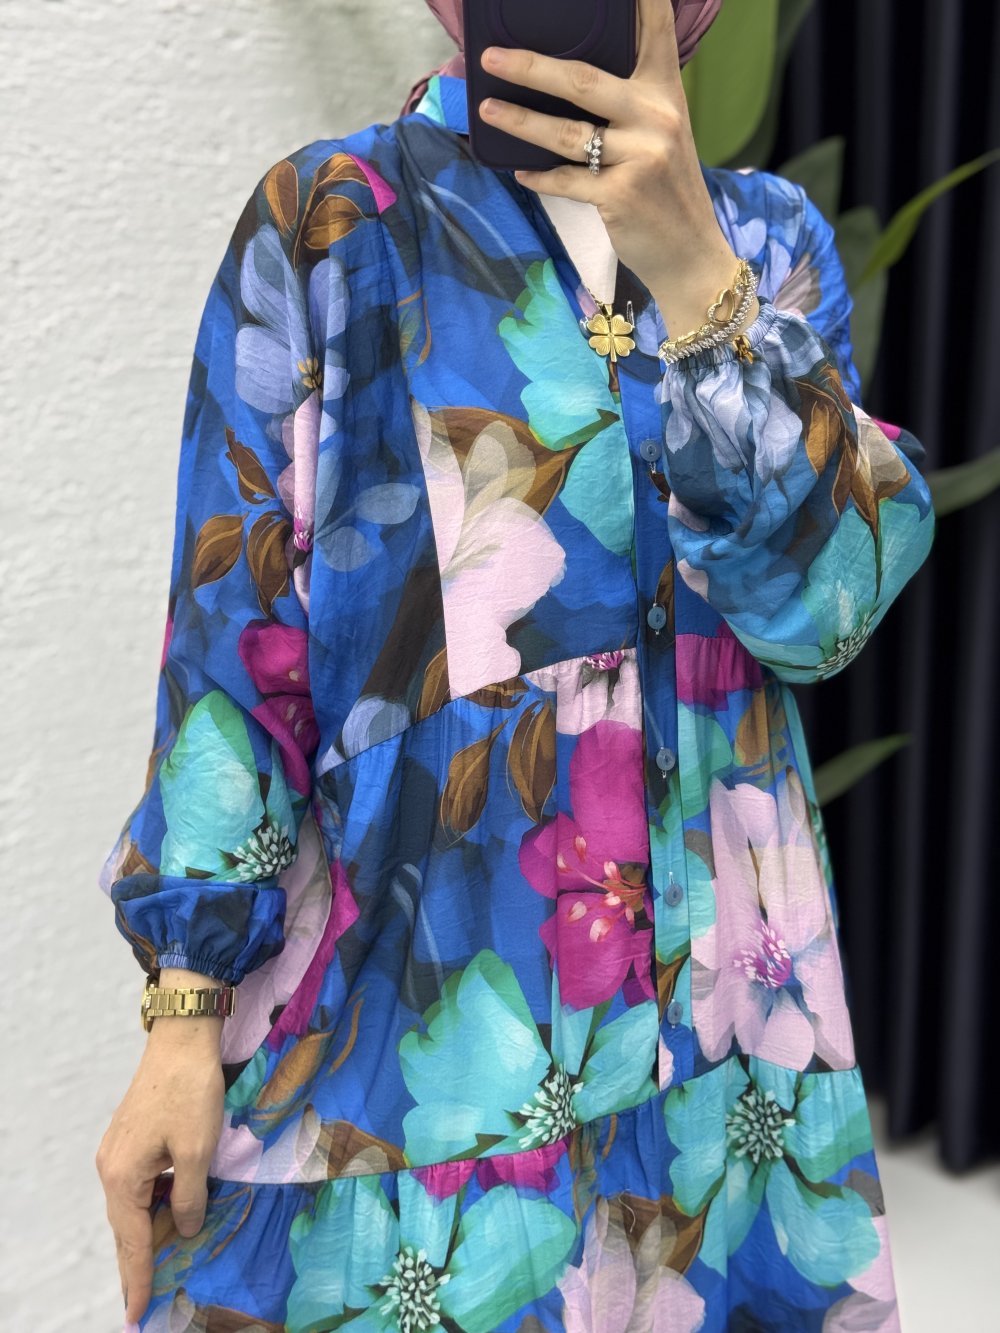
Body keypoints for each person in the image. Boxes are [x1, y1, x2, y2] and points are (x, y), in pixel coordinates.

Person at [95, 0, 935, 1328]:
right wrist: (184, 1014)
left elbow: (824, 614)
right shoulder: (336, 223)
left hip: (728, 1040)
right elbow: (232, 653)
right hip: (425, 1043)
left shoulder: (766, 242)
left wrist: (696, 278)